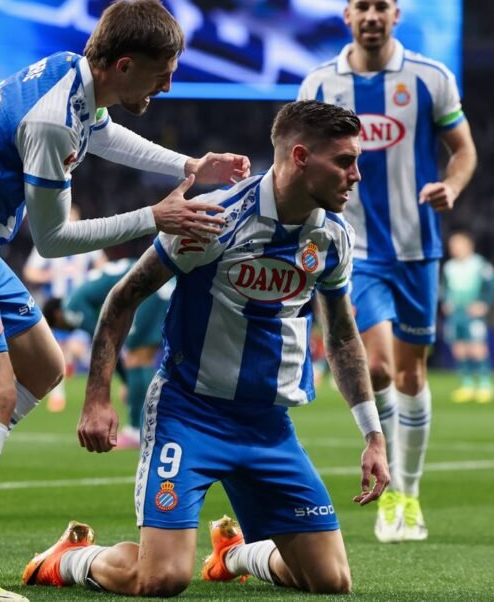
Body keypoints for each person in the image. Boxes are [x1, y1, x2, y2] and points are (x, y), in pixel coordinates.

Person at [0, 0, 250, 602]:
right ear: (124, 64)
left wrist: (187, 165)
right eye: (163, 73)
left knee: (45, 368)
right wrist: (156, 218)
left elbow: (103, 135)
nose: (169, 84)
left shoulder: (70, 75)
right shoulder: (51, 120)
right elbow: (53, 241)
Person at [22, 100, 389, 597]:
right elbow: (123, 297)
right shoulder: (215, 218)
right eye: (345, 161)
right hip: (190, 414)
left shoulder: (332, 237)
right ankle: (70, 559)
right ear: (300, 157)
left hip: (267, 426)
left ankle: (234, 554)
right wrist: (97, 398)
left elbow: (343, 336)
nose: (356, 175)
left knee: (330, 581)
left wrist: (372, 434)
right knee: (161, 578)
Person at [297, 0, 478, 543]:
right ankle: (388, 484)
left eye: (381, 6)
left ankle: (409, 494)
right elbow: (295, 162)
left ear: (395, 14)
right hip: (353, 251)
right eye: (362, 6)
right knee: (374, 367)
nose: (372, 16)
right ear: (347, 15)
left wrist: (453, 185)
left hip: (418, 249)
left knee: (411, 372)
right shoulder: (319, 86)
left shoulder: (430, 78)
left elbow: (464, 150)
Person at [45, 257, 176, 449]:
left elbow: (103, 341)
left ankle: (134, 430)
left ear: (57, 315)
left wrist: (126, 382)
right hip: (156, 281)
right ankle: (151, 426)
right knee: (142, 358)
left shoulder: (70, 308)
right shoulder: (81, 293)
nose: (68, 329)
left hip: (145, 285)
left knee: (137, 358)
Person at [23, 205, 107, 412]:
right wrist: (49, 276)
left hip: (80, 305)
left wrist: (91, 281)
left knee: (79, 349)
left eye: (73, 217)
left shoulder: (87, 241)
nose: (69, 221)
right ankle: (58, 395)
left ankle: (103, 386)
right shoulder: (48, 241)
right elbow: (30, 272)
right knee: (57, 351)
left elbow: (103, 266)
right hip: (56, 306)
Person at [442, 231, 494, 404]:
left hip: (472, 312)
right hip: (456, 314)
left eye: (458, 244)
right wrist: (446, 301)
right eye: (452, 245)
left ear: (469, 245)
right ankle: (467, 385)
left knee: (477, 348)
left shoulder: (479, 264)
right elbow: (444, 288)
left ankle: (485, 385)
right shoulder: (449, 267)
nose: (454, 248)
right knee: (459, 348)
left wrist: (484, 303)